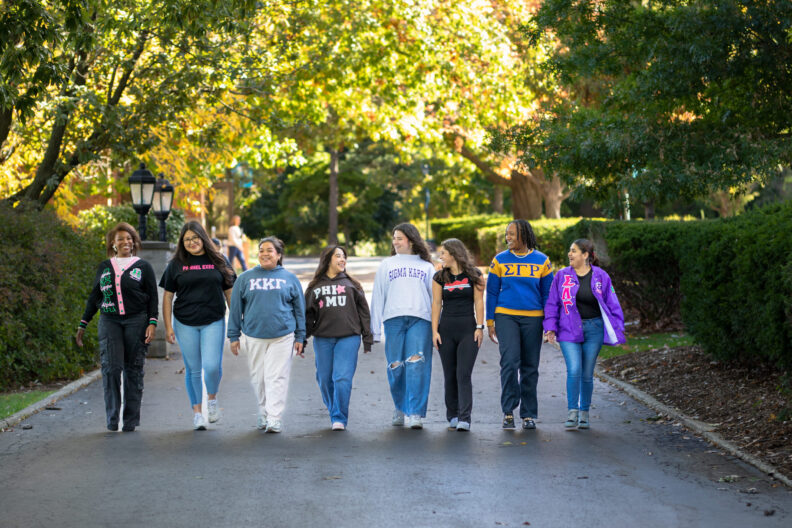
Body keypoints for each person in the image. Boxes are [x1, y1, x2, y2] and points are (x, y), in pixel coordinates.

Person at [75, 223, 158, 432]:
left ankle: (130, 420)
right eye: (121, 238)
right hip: (109, 320)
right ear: (113, 243)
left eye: (130, 238)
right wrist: (83, 324)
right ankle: (113, 418)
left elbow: (153, 298)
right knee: (111, 368)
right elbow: (95, 296)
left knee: (133, 369)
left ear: (134, 242)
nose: (126, 242)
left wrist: (152, 323)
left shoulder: (143, 267)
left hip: (136, 320)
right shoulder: (104, 267)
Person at [160, 221, 236, 431]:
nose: (192, 243)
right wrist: (168, 327)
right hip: (185, 322)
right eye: (187, 240)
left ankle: (211, 399)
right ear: (182, 243)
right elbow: (167, 297)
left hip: (213, 319)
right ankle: (196, 413)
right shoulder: (176, 264)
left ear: (203, 237)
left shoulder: (219, 260)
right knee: (193, 369)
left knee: (212, 366)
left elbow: (230, 292)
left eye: (195, 238)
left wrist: (236, 325)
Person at [543, 239, 625, 429]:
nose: (569, 254)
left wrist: (618, 329)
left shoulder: (601, 277)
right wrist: (550, 328)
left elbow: (613, 303)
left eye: (573, 251)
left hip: (593, 329)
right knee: (574, 370)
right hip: (568, 329)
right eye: (569, 251)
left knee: (587, 373)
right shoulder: (562, 276)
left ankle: (584, 413)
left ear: (585, 255)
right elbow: (552, 303)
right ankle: (572, 412)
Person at [227, 236, 305, 433]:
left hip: (282, 335)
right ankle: (263, 412)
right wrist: (233, 336)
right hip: (253, 335)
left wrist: (300, 337)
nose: (264, 254)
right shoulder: (244, 278)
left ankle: (274, 417)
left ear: (278, 255)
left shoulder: (289, 278)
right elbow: (235, 309)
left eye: (269, 250)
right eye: (261, 250)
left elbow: (299, 310)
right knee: (258, 378)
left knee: (276, 377)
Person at [486, 219, 554, 430]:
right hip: (506, 316)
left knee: (530, 367)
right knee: (509, 362)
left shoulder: (542, 261)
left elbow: (547, 295)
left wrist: (550, 323)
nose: (508, 238)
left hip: (534, 318)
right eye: (507, 234)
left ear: (524, 235)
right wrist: (490, 322)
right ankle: (508, 411)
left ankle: (528, 414)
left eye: (512, 234)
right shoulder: (499, 260)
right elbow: (492, 292)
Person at [371, 223, 436, 429]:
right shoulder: (387, 264)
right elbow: (378, 296)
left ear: (411, 239)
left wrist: (436, 328)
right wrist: (375, 329)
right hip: (393, 320)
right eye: (394, 238)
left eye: (399, 238)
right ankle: (400, 407)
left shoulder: (426, 266)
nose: (395, 242)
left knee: (417, 365)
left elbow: (435, 299)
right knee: (396, 366)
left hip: (420, 319)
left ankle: (415, 412)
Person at [304, 246, 373, 431]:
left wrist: (367, 337)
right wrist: (301, 339)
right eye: (338, 256)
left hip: (348, 337)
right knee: (324, 378)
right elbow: (307, 315)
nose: (342, 260)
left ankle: (339, 417)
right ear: (327, 259)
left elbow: (364, 313)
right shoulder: (314, 287)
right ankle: (335, 409)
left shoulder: (353, 285)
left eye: (344, 257)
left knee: (342, 377)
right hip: (323, 338)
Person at [431, 238, 485, 432]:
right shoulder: (439, 277)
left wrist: (480, 327)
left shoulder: (475, 275)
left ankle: (464, 417)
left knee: (463, 374)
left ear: (453, 254)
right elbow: (436, 304)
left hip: (468, 330)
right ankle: (452, 414)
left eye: (443, 253)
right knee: (449, 374)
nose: (441, 257)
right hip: (446, 330)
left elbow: (479, 302)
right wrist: (434, 331)